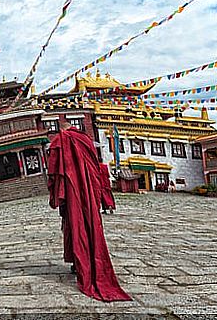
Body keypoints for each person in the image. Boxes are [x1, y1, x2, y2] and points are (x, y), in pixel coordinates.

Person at [47, 121, 131, 302]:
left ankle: (81, 264)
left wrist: (55, 193)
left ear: (62, 129)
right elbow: (94, 165)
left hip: (71, 189)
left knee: (74, 226)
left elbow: (53, 171)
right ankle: (82, 262)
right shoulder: (86, 140)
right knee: (87, 224)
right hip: (89, 190)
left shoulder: (60, 140)